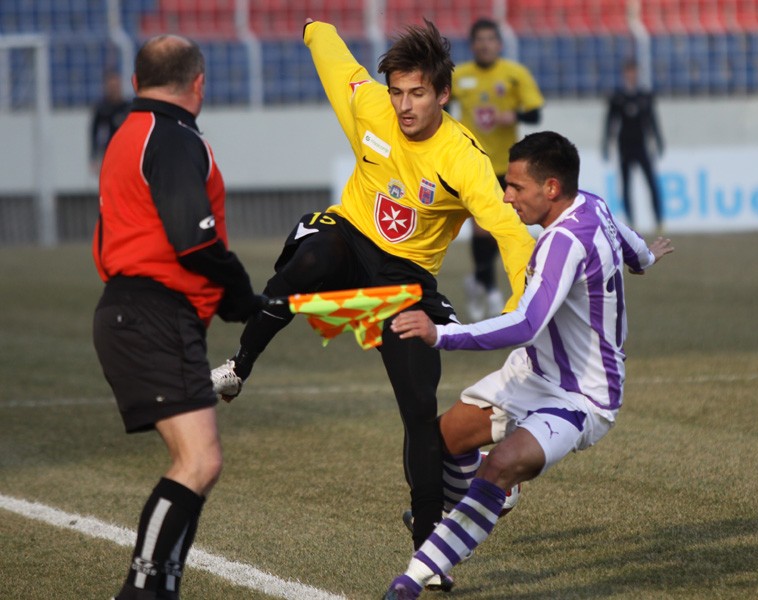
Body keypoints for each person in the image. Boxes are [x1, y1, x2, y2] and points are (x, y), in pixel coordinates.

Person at [211, 17, 535, 591]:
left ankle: (429, 555)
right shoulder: (371, 106)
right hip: (349, 236)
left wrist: (523, 305)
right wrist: (313, 27)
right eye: (397, 92)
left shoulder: (463, 158)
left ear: (443, 94)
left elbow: (509, 231)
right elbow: (336, 63)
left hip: (406, 279)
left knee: (419, 408)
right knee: (308, 261)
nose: (404, 105)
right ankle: (239, 366)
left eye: (417, 93)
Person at [382, 131, 674, 599]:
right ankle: (494, 499)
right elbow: (630, 246)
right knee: (440, 442)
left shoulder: (562, 243)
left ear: (551, 188)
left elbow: (525, 324)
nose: (506, 196)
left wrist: (440, 334)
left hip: (581, 397)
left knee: (500, 464)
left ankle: (414, 577)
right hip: (531, 373)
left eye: (516, 187)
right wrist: (645, 259)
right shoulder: (592, 204)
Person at [92, 35, 261, 600]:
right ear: (199, 83)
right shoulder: (172, 136)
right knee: (198, 461)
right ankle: (141, 590)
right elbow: (195, 241)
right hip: (153, 313)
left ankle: (159, 589)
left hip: (136, 312)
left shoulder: (128, 132)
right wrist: (241, 294)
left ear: (136, 81)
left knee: (199, 463)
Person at [450, 18, 545, 321]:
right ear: (472, 45)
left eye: (490, 39)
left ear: (499, 44)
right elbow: (439, 106)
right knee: (482, 227)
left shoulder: (514, 75)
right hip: (473, 165)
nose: (485, 45)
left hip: (508, 167)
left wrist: (512, 115)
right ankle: (490, 289)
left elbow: (535, 114)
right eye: (480, 40)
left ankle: (478, 281)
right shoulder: (459, 76)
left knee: (500, 228)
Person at [602, 58, 665, 231]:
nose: (631, 75)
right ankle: (631, 221)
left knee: (651, 183)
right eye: (629, 72)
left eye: (634, 72)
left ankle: (659, 220)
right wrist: (606, 143)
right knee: (626, 185)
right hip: (624, 146)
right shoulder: (617, 98)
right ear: (624, 74)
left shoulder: (645, 96)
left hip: (641, 145)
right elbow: (610, 122)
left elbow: (652, 120)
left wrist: (658, 140)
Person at [89, 69, 131, 174]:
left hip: (127, 152)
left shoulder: (127, 108)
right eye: (111, 86)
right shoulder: (102, 109)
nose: (114, 89)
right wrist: (94, 157)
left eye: (116, 86)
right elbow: (94, 133)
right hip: (109, 153)